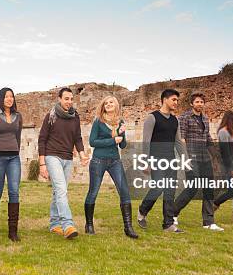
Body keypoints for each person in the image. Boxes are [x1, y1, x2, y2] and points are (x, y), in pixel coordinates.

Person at [38, 87, 89, 239]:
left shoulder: (75, 117)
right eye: (66, 98)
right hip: (52, 156)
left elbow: (77, 138)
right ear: (59, 99)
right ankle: (67, 225)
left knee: (58, 191)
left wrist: (82, 155)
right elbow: (42, 139)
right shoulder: (51, 116)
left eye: (71, 99)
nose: (69, 102)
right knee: (61, 190)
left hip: (68, 158)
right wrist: (42, 163)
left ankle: (54, 224)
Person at [84, 96, 138, 239]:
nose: (108, 104)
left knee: (124, 191)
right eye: (106, 103)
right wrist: (112, 140)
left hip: (115, 161)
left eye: (111, 102)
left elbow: (123, 145)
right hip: (98, 161)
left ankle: (128, 227)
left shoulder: (120, 122)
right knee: (93, 192)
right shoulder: (98, 121)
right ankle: (89, 225)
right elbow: (92, 142)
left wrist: (122, 134)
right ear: (103, 106)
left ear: (116, 105)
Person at [137, 89, 187, 234]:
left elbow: (178, 142)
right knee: (158, 188)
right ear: (165, 99)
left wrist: (185, 159)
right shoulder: (152, 118)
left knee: (170, 191)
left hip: (171, 160)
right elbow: (146, 141)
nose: (176, 103)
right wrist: (145, 161)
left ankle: (168, 224)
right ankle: (142, 210)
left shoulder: (175, 120)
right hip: (156, 159)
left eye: (177, 100)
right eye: (173, 99)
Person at [175, 92, 223, 231]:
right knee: (193, 187)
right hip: (191, 156)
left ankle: (208, 222)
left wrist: (215, 157)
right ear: (192, 104)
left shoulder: (206, 119)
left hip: (204, 157)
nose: (200, 104)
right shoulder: (184, 117)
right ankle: (173, 213)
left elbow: (208, 139)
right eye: (197, 102)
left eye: (202, 102)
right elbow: (181, 139)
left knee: (208, 188)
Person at [0, 87, 24, 241]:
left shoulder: (18, 116)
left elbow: (18, 137)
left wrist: (17, 152)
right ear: (1, 99)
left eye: (12, 96)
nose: (9, 99)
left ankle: (12, 231)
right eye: (6, 96)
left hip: (14, 158)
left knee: (14, 191)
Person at [213, 111, 233, 224]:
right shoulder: (223, 132)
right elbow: (225, 152)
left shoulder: (232, 133)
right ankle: (214, 204)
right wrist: (231, 168)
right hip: (230, 166)